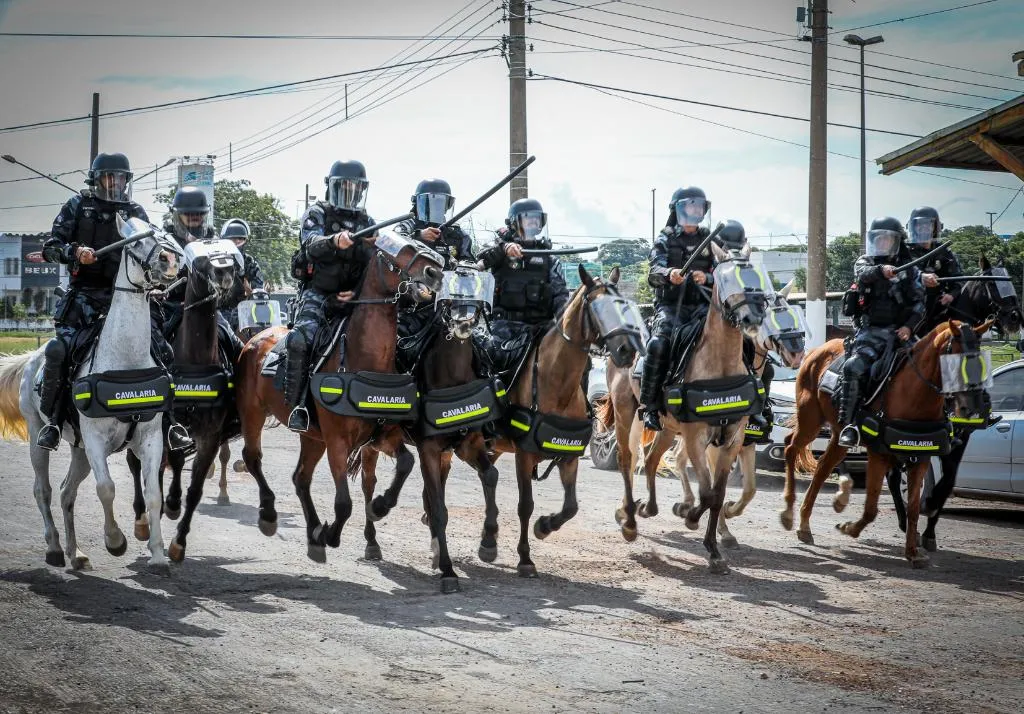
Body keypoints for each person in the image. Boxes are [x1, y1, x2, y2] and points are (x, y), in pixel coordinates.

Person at [36, 153, 192, 452]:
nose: (114, 183)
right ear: (95, 180)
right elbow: (50, 248)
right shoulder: (77, 207)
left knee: (164, 350)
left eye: (120, 178)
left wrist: (157, 282)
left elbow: (151, 251)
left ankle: (170, 423)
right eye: (108, 177)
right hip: (85, 297)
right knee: (59, 351)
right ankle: (53, 423)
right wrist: (75, 252)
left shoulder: (135, 212)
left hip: (130, 299)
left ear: (126, 181)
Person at [284, 160, 377, 432]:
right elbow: (310, 243)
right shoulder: (317, 213)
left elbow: (376, 262)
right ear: (331, 186)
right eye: (344, 186)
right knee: (301, 339)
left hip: (356, 299)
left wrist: (358, 292)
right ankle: (298, 406)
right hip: (319, 294)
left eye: (355, 187)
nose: (349, 191)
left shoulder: (368, 222)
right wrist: (334, 241)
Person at [837, 216, 926, 447]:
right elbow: (863, 273)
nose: (882, 243)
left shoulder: (911, 269)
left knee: (929, 364)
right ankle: (850, 424)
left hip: (900, 334)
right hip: (870, 333)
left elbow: (919, 305)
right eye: (878, 239)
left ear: (897, 241)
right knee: (852, 367)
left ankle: (938, 418)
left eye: (887, 239)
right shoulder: (865, 261)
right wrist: (882, 270)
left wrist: (908, 327)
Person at [639, 186, 715, 432]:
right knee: (658, 344)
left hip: (704, 307)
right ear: (678, 209)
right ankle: (649, 406)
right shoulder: (665, 238)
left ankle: (754, 406)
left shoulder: (712, 239)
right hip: (672, 307)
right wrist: (669, 274)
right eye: (690, 205)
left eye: (699, 206)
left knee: (740, 338)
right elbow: (654, 272)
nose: (695, 209)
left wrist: (709, 278)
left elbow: (726, 272)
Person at [477, 198, 570, 366]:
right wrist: (504, 248)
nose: (534, 221)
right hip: (505, 328)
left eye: (537, 217)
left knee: (575, 361)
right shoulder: (498, 247)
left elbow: (561, 296)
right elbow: (479, 259)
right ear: (514, 222)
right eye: (528, 217)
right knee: (489, 360)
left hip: (541, 328)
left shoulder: (549, 258)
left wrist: (567, 325)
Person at [393, 179, 474, 360]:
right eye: (430, 202)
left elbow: (469, 266)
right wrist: (418, 236)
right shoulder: (408, 225)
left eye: (440, 203)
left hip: (449, 309)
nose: (435, 207)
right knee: (396, 347)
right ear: (417, 203)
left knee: (476, 348)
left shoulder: (458, 235)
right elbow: (392, 241)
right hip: (412, 308)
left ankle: (486, 382)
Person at [903, 206, 962, 332]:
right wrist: (920, 278)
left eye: (928, 224)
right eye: (920, 225)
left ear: (935, 228)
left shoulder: (945, 252)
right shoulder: (903, 252)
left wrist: (951, 295)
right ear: (913, 227)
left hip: (938, 309)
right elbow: (895, 278)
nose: (924, 228)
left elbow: (958, 280)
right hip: (907, 309)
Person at [218, 218, 267, 333]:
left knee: (262, 335)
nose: (236, 242)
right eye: (232, 239)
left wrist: (253, 293)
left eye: (240, 239)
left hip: (244, 311)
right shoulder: (216, 261)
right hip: (219, 310)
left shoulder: (250, 262)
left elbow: (258, 291)